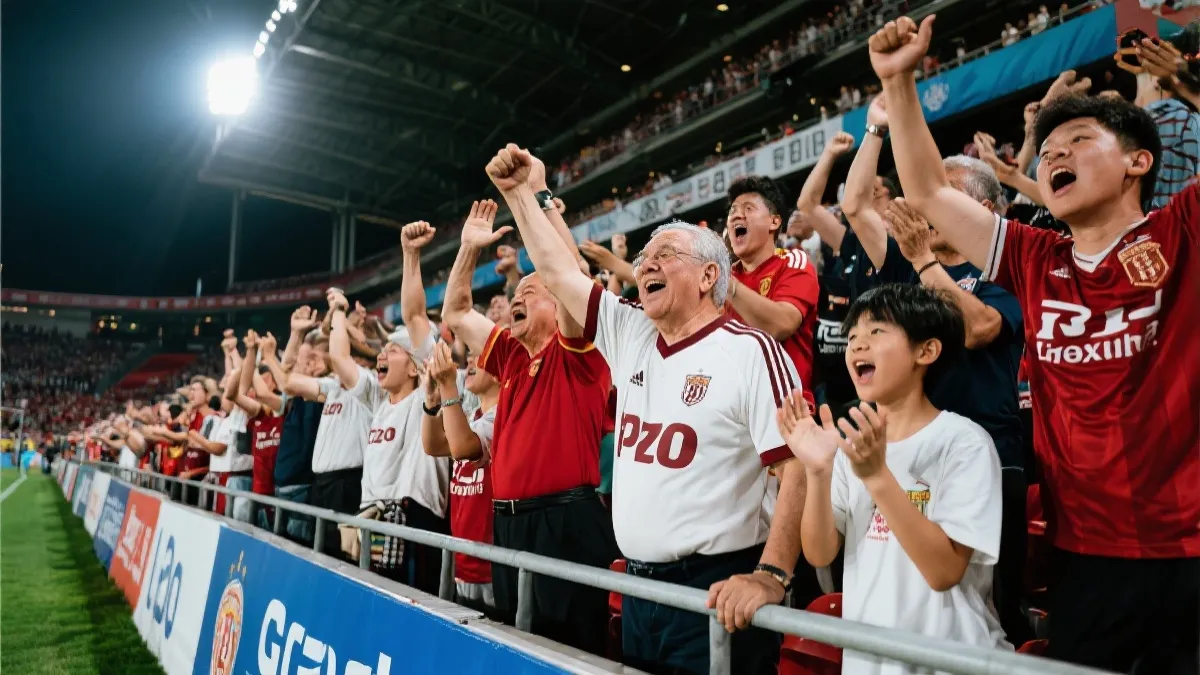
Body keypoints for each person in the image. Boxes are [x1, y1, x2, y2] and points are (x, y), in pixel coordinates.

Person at [872, 15, 1198, 671]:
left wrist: (1185, 81)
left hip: (1188, 549)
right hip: (1083, 555)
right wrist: (899, 79)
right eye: (1047, 150)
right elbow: (931, 189)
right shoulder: (1031, 255)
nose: (1054, 156)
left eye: (1078, 140)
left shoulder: (1183, 230)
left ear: (1139, 161)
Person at [486, 143, 806, 675]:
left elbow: (796, 468)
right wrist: (524, 195)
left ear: (709, 275)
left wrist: (772, 574)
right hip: (635, 585)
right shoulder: (633, 331)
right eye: (644, 257)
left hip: (715, 588)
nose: (647, 263)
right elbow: (559, 273)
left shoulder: (752, 351)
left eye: (665, 254)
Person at [782, 283, 1008, 673]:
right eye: (852, 336)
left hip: (952, 659)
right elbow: (820, 554)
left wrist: (876, 476)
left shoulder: (964, 443)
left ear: (927, 351)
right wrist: (818, 473)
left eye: (876, 332)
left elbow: (943, 572)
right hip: (869, 660)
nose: (857, 345)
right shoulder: (851, 443)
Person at [442, 196, 618, 656]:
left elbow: (569, 278)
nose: (515, 299)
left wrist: (534, 203)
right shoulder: (512, 356)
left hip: (566, 523)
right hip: (509, 524)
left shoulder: (580, 352)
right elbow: (457, 313)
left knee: (572, 654)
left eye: (530, 294)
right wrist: (468, 249)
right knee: (516, 649)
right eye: (515, 296)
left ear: (558, 304)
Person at [725, 176, 821, 402]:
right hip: (732, 413)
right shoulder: (723, 275)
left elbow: (782, 325)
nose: (737, 215)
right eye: (733, 211)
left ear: (774, 222)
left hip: (785, 409)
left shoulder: (792, 261)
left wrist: (727, 285)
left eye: (748, 208)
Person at [423, 342, 499, 615]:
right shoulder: (471, 416)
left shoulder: (503, 416)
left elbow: (462, 446)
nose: (471, 361)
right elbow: (433, 446)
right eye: (470, 357)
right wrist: (432, 404)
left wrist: (447, 386)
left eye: (481, 356)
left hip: (491, 566)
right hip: (461, 561)